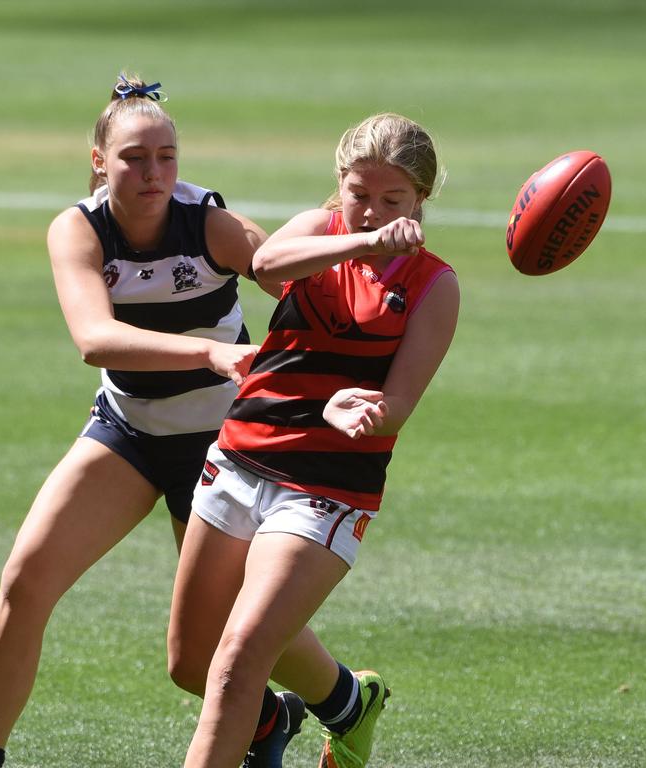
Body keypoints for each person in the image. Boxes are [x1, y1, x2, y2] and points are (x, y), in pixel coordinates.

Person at [0, 72, 279, 768]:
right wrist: (209, 353)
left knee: (205, 655)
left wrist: (354, 236)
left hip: (221, 446)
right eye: (134, 157)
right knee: (25, 580)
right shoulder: (79, 229)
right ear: (99, 160)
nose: (153, 171)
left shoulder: (209, 224)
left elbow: (282, 269)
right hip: (128, 432)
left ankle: (338, 702)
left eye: (166, 156)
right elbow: (93, 340)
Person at [167, 112, 460, 768]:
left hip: (326, 490)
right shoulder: (316, 233)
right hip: (239, 459)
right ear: (340, 183)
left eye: (393, 200)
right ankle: (349, 704)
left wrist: (366, 411)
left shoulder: (433, 285)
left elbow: (398, 406)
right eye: (359, 194)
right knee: (192, 663)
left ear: (421, 200)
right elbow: (266, 261)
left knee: (237, 663)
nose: (371, 212)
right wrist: (360, 242)